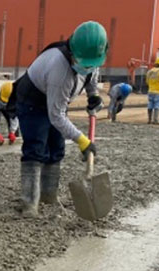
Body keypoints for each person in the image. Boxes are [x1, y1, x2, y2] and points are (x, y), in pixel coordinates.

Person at [13, 20, 108, 217]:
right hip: (33, 100)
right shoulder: (60, 70)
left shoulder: (90, 59)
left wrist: (93, 95)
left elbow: (91, 74)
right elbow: (56, 115)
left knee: (56, 147)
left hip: (55, 100)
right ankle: (30, 204)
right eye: (84, 63)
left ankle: (49, 196)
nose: (88, 66)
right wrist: (82, 141)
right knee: (36, 148)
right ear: (73, 52)